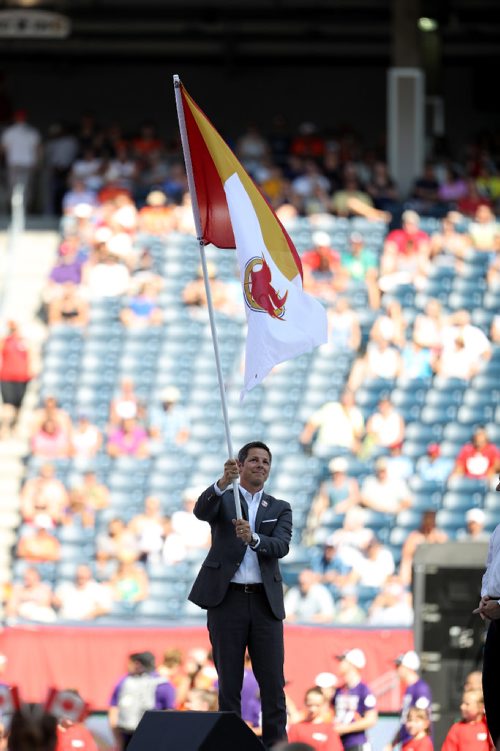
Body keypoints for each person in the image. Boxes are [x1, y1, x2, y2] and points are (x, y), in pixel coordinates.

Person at [187, 441, 292, 750]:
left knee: (273, 686)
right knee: (228, 685)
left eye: (266, 462)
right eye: (255, 460)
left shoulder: (279, 507)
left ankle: (277, 747)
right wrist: (222, 483)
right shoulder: (225, 498)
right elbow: (200, 510)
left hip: (264, 604)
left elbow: (282, 546)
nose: (261, 465)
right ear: (241, 465)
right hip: (227, 600)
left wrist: (255, 538)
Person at [473, 473, 500, 746]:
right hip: (496, 622)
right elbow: (489, 570)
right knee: (493, 697)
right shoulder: (498, 530)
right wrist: (485, 598)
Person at [108, 651, 176, 750]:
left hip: (126, 734)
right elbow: (170, 712)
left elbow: (113, 711)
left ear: (137, 664)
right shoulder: (164, 683)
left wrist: (118, 741)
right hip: (154, 735)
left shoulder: (124, 681)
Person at [383, 651, 432, 751]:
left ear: (408, 667)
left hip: (417, 745)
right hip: (407, 743)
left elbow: (422, 719)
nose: (396, 670)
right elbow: (404, 721)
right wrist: (392, 743)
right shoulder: (408, 689)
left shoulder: (420, 689)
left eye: (399, 666)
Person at [332, 649, 378, 750]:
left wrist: (346, 728)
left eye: (342, 661)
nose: (339, 664)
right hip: (338, 742)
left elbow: (371, 719)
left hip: (356, 743)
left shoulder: (364, 690)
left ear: (352, 664)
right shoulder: (339, 690)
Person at [0, 320, 32, 438]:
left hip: (22, 378)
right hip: (7, 377)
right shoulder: (5, 341)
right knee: (8, 404)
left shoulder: (25, 343)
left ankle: (14, 426)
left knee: (18, 404)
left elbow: (31, 357)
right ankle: (5, 428)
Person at [287, 687, 343, 751]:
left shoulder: (329, 729)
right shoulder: (296, 728)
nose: (312, 709)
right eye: (310, 705)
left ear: (323, 705)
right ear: (305, 703)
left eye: (317, 705)